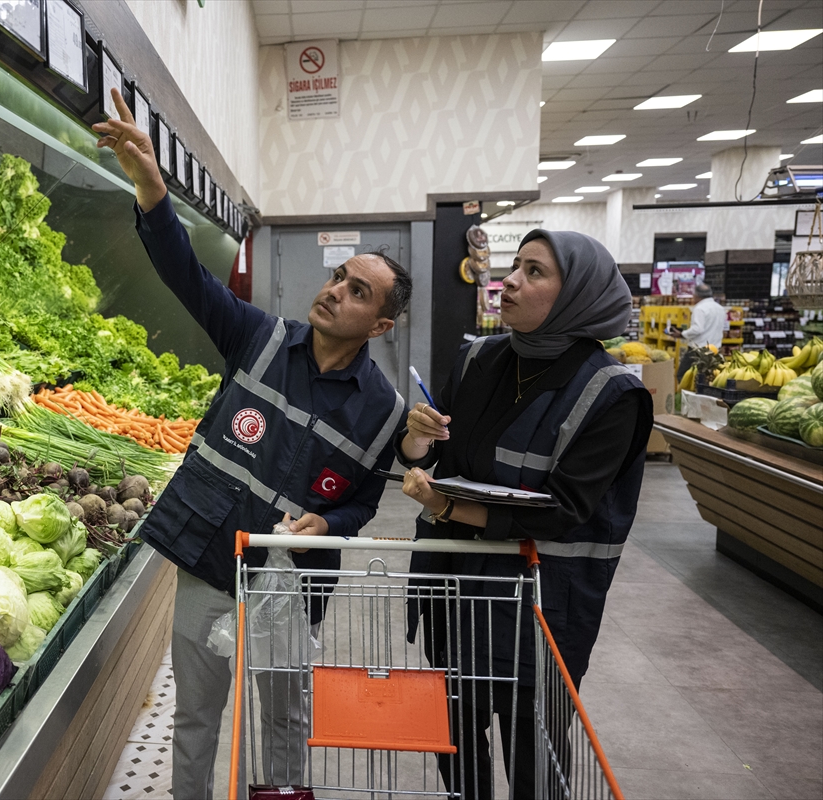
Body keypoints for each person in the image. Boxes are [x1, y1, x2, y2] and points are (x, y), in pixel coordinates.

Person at [93, 89, 410, 799]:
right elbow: (187, 276)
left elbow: (363, 502)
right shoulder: (259, 338)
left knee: (285, 720)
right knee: (195, 716)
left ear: (381, 326)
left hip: (291, 585)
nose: (336, 291)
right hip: (212, 557)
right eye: (338, 277)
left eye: (359, 292)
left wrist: (330, 521)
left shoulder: (383, 411)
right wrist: (151, 190)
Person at [396, 229, 654, 799]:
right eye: (514, 266)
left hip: (538, 604)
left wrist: (447, 505)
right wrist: (417, 439)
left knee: (534, 751)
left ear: (576, 295)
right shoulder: (478, 359)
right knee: (455, 738)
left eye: (534, 271)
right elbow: (432, 453)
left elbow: (564, 510)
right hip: (453, 586)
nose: (509, 281)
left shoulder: (613, 395)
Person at [673, 282, 727, 379]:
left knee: (683, 375)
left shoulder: (700, 308)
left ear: (697, 295)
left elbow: (697, 329)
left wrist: (682, 334)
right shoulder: (720, 308)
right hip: (715, 350)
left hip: (699, 351)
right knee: (707, 377)